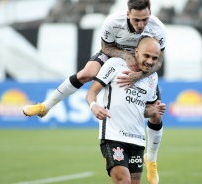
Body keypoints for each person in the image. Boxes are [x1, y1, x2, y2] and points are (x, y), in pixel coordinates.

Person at [23, 1, 166, 183]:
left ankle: (151, 161)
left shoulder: (158, 29)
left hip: (144, 62)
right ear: (128, 14)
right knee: (87, 73)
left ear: (150, 14)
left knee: (157, 114)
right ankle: (45, 106)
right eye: (136, 20)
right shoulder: (113, 22)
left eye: (144, 20)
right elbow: (106, 48)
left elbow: (158, 60)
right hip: (117, 54)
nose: (140, 25)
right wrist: (125, 56)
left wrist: (138, 75)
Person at [86, 36, 166, 184]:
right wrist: (93, 106)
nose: (149, 61)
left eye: (154, 58)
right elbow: (91, 93)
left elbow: (142, 112)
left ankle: (151, 160)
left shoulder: (152, 77)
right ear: (136, 52)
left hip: (137, 140)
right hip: (113, 136)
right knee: (124, 181)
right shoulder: (114, 64)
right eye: (146, 56)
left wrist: (153, 111)